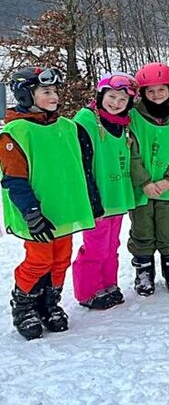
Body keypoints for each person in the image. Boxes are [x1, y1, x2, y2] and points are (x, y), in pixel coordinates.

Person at [3, 67, 99, 340]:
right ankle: (24, 305)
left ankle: (49, 302)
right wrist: (31, 212)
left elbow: (82, 168)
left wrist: (93, 200)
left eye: (55, 91)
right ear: (26, 95)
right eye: (46, 91)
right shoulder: (16, 132)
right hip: (36, 213)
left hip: (64, 211)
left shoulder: (67, 127)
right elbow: (14, 178)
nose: (54, 96)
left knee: (61, 260)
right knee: (39, 260)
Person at [71, 72, 138, 310]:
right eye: (111, 97)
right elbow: (81, 163)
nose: (116, 103)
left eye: (122, 100)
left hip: (116, 196)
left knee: (111, 246)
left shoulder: (123, 124)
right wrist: (91, 199)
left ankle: (108, 284)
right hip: (97, 198)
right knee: (95, 247)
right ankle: (88, 291)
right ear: (101, 95)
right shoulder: (87, 120)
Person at [129, 62, 169, 296]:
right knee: (142, 228)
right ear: (143, 93)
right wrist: (144, 182)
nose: (156, 95)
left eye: (161, 90)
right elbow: (131, 152)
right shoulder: (133, 117)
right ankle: (144, 270)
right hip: (142, 187)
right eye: (150, 91)